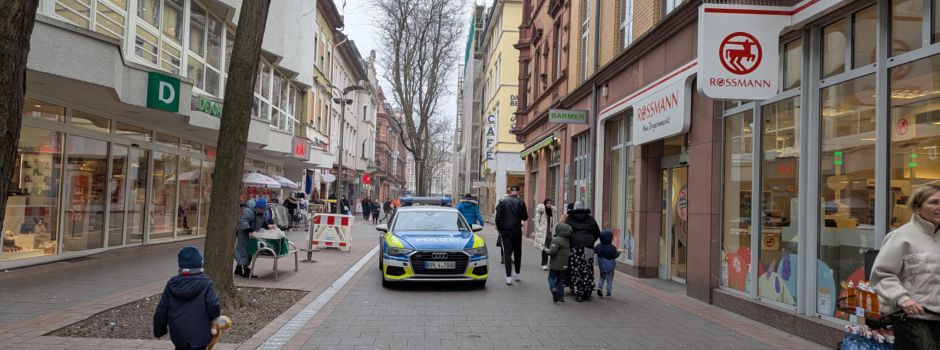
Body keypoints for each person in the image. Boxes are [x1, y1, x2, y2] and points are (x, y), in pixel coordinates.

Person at [872, 184, 940, 350]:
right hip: (913, 317)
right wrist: (902, 298)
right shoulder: (902, 237)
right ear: (917, 207)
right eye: (934, 202)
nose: (939, 207)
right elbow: (882, 274)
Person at [153, 246, 220, 350]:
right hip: (201, 333)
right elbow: (213, 305)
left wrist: (159, 330)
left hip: (178, 334)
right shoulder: (206, 283)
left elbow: (162, 309)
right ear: (200, 264)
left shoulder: (172, 284)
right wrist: (215, 319)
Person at [566, 202, 600, 302]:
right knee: (587, 268)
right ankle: (587, 290)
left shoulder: (570, 218)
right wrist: (591, 240)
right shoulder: (590, 218)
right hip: (588, 246)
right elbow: (597, 232)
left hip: (575, 246)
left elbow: (566, 232)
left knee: (576, 269)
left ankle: (578, 292)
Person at [495, 185, 528, 285]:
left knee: (507, 253)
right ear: (518, 192)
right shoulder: (521, 202)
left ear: (510, 191)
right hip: (517, 230)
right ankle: (517, 274)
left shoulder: (503, 201)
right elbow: (525, 217)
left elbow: (497, 218)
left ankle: (508, 277)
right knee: (518, 252)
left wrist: (500, 229)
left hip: (505, 231)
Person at [544, 220, 571, 303]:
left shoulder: (556, 240)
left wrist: (546, 250)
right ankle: (561, 297)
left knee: (551, 278)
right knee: (561, 280)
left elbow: (553, 251)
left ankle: (553, 289)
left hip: (555, 265)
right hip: (564, 265)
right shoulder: (567, 240)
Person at [595, 230, 620, 299]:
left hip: (602, 266)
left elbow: (594, 251)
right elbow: (615, 255)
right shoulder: (612, 247)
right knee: (610, 279)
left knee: (602, 277)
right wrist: (619, 253)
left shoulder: (598, 246)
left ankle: (599, 287)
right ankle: (608, 293)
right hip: (611, 267)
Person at [533, 199, 554, 270]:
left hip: (550, 232)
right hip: (543, 232)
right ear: (545, 204)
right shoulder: (541, 211)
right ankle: (544, 264)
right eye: (548, 203)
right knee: (544, 248)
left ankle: (551, 264)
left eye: (550, 203)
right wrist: (539, 229)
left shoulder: (552, 211)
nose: (549, 204)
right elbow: (536, 220)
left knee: (551, 248)